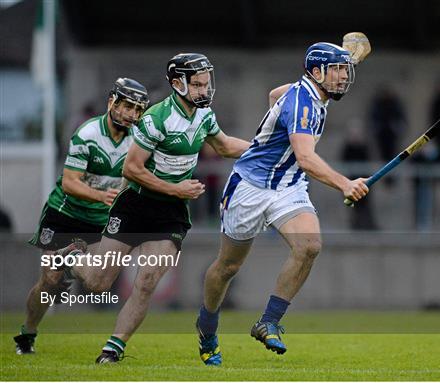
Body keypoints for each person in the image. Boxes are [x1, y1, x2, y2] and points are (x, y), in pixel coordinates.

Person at [59, 53, 250, 364]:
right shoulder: (155, 118)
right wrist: (176, 188)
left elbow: (225, 146)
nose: (205, 90)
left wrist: (265, 146)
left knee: (147, 280)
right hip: (135, 205)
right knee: (97, 281)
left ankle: (113, 348)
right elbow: (132, 169)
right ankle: (73, 257)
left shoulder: (204, 115)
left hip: (170, 214)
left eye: (206, 84)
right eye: (198, 85)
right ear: (177, 84)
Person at [196, 42, 369, 365]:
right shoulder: (304, 103)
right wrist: (345, 183)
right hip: (249, 187)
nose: (344, 78)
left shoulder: (309, 90)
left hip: (287, 187)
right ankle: (206, 326)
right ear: (316, 73)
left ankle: (269, 321)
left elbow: (275, 94)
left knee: (309, 246)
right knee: (228, 267)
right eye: (338, 71)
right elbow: (305, 157)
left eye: (346, 71)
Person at [14, 78, 149, 355]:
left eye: (137, 110)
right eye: (127, 106)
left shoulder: (138, 141)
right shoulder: (87, 133)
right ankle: (28, 332)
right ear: (112, 101)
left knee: (98, 284)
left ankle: (71, 258)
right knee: (50, 282)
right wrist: (101, 196)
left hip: (100, 220)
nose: (131, 114)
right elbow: (70, 183)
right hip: (65, 214)